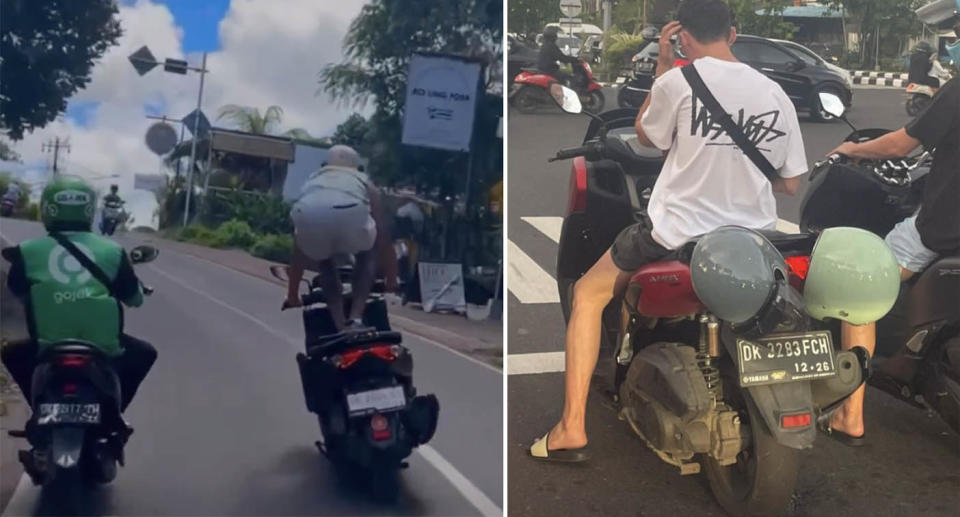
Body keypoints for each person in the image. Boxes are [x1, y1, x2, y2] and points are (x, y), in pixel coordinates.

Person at [530, 0, 807, 462]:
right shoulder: (774, 92)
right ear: (732, 34)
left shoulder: (677, 81)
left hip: (676, 234)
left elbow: (648, 138)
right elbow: (791, 181)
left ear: (683, 36)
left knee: (588, 293)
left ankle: (570, 428)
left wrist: (662, 63)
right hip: (753, 239)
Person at [823, 73, 960, 446]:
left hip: (944, 227)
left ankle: (850, 414)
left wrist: (851, 149)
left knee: (861, 292)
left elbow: (899, 146)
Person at [1, 176, 157, 418]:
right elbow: (134, 299)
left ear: (47, 208)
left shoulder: (27, 251)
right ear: (89, 209)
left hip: (47, 345)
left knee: (11, 352)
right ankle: (114, 416)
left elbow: (16, 292)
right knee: (145, 353)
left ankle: (39, 412)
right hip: (104, 347)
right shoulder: (113, 251)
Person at [283, 145, 397, 330]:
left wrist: (292, 295)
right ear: (356, 166)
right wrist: (391, 281)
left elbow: (298, 251)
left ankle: (339, 324)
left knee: (324, 260)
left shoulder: (313, 180)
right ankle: (355, 317)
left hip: (306, 214)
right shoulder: (363, 181)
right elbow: (383, 235)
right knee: (368, 253)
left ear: (326, 164)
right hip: (352, 213)